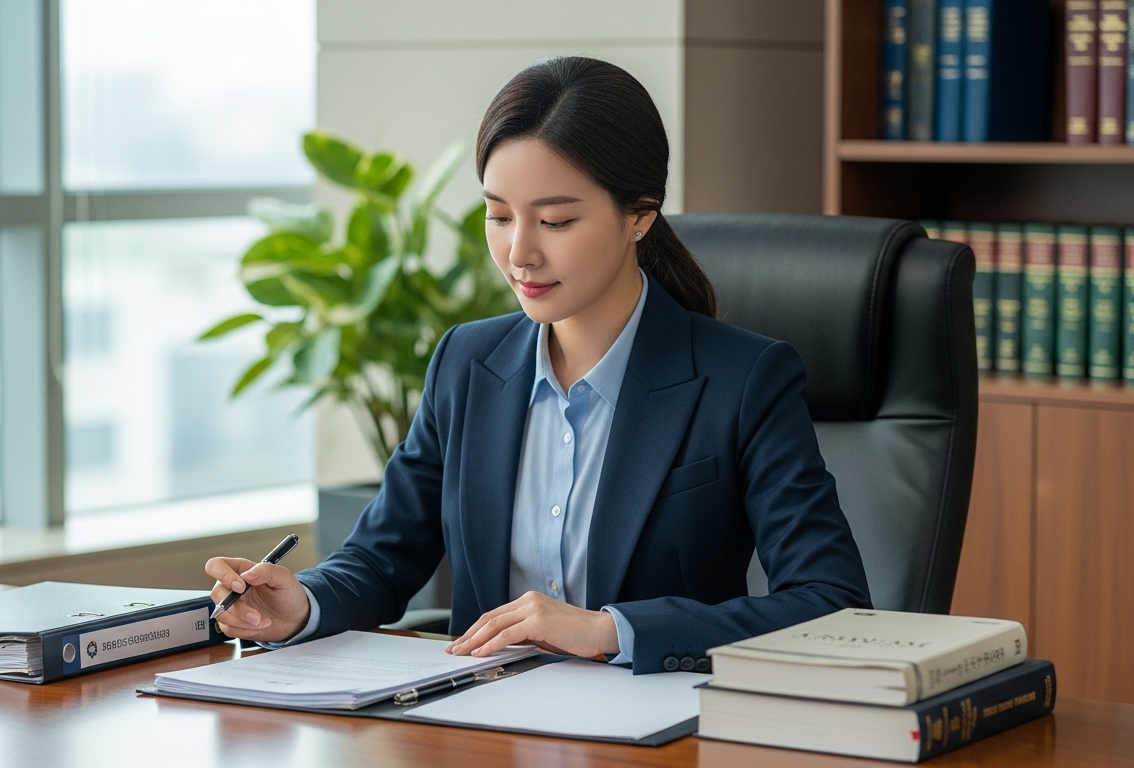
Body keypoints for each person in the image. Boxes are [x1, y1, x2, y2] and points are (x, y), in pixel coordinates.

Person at [206, 56, 871, 674]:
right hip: (480, 723)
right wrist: (304, 603)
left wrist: (611, 630)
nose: (519, 253)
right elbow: (383, 559)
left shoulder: (743, 378)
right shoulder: (468, 361)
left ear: (639, 214)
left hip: (649, 732)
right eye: (499, 216)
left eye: (554, 221)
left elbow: (831, 602)